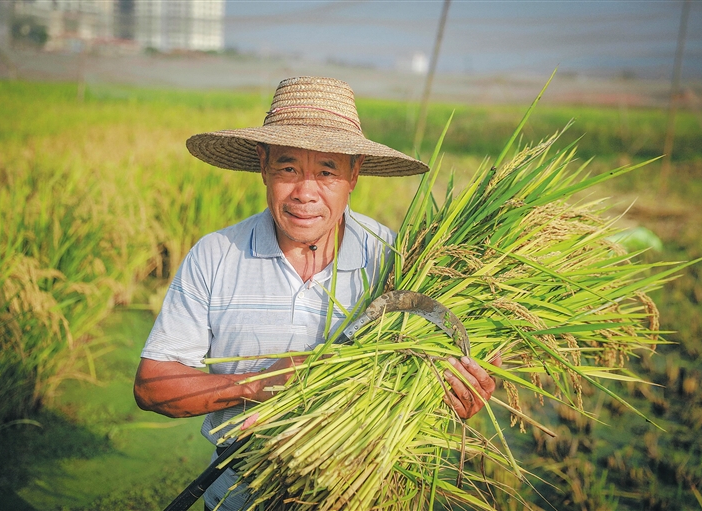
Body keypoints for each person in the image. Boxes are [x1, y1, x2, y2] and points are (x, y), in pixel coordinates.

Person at [133, 76, 501, 511]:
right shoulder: (216, 255)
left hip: (365, 495)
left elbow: (427, 374)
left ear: (354, 174)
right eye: (288, 169)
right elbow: (152, 388)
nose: (305, 193)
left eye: (327, 171)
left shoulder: (396, 262)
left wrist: (454, 398)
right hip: (237, 494)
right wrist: (256, 385)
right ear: (263, 165)